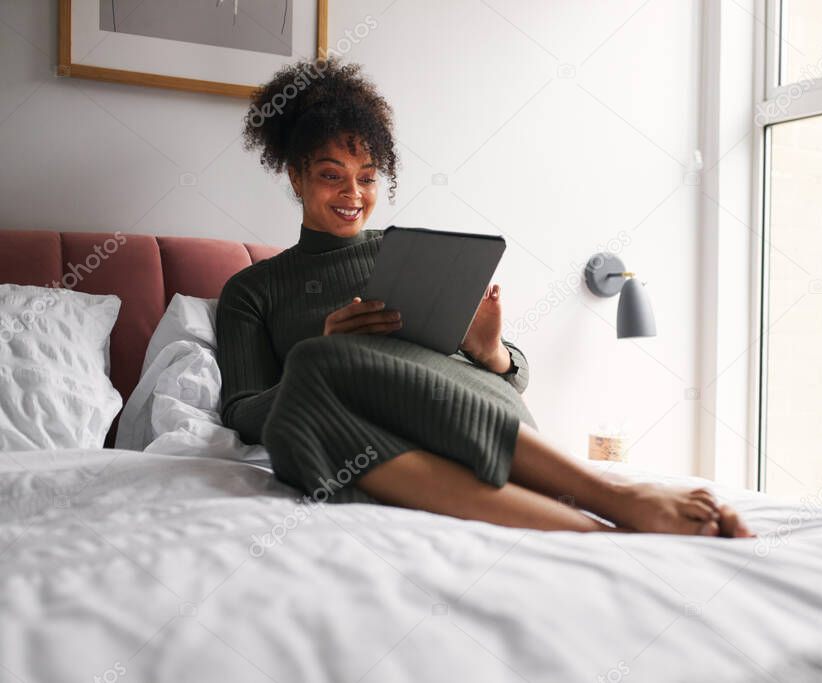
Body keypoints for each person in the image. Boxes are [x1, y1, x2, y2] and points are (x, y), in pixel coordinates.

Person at [217, 57, 752, 537]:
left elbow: (512, 374)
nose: (353, 195)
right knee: (299, 407)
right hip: (354, 433)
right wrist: (330, 345)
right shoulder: (251, 290)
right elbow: (242, 413)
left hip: (463, 408)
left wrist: (489, 349)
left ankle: (615, 497)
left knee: (317, 366)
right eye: (332, 176)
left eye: (368, 178)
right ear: (295, 177)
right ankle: (599, 533)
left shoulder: (412, 252)